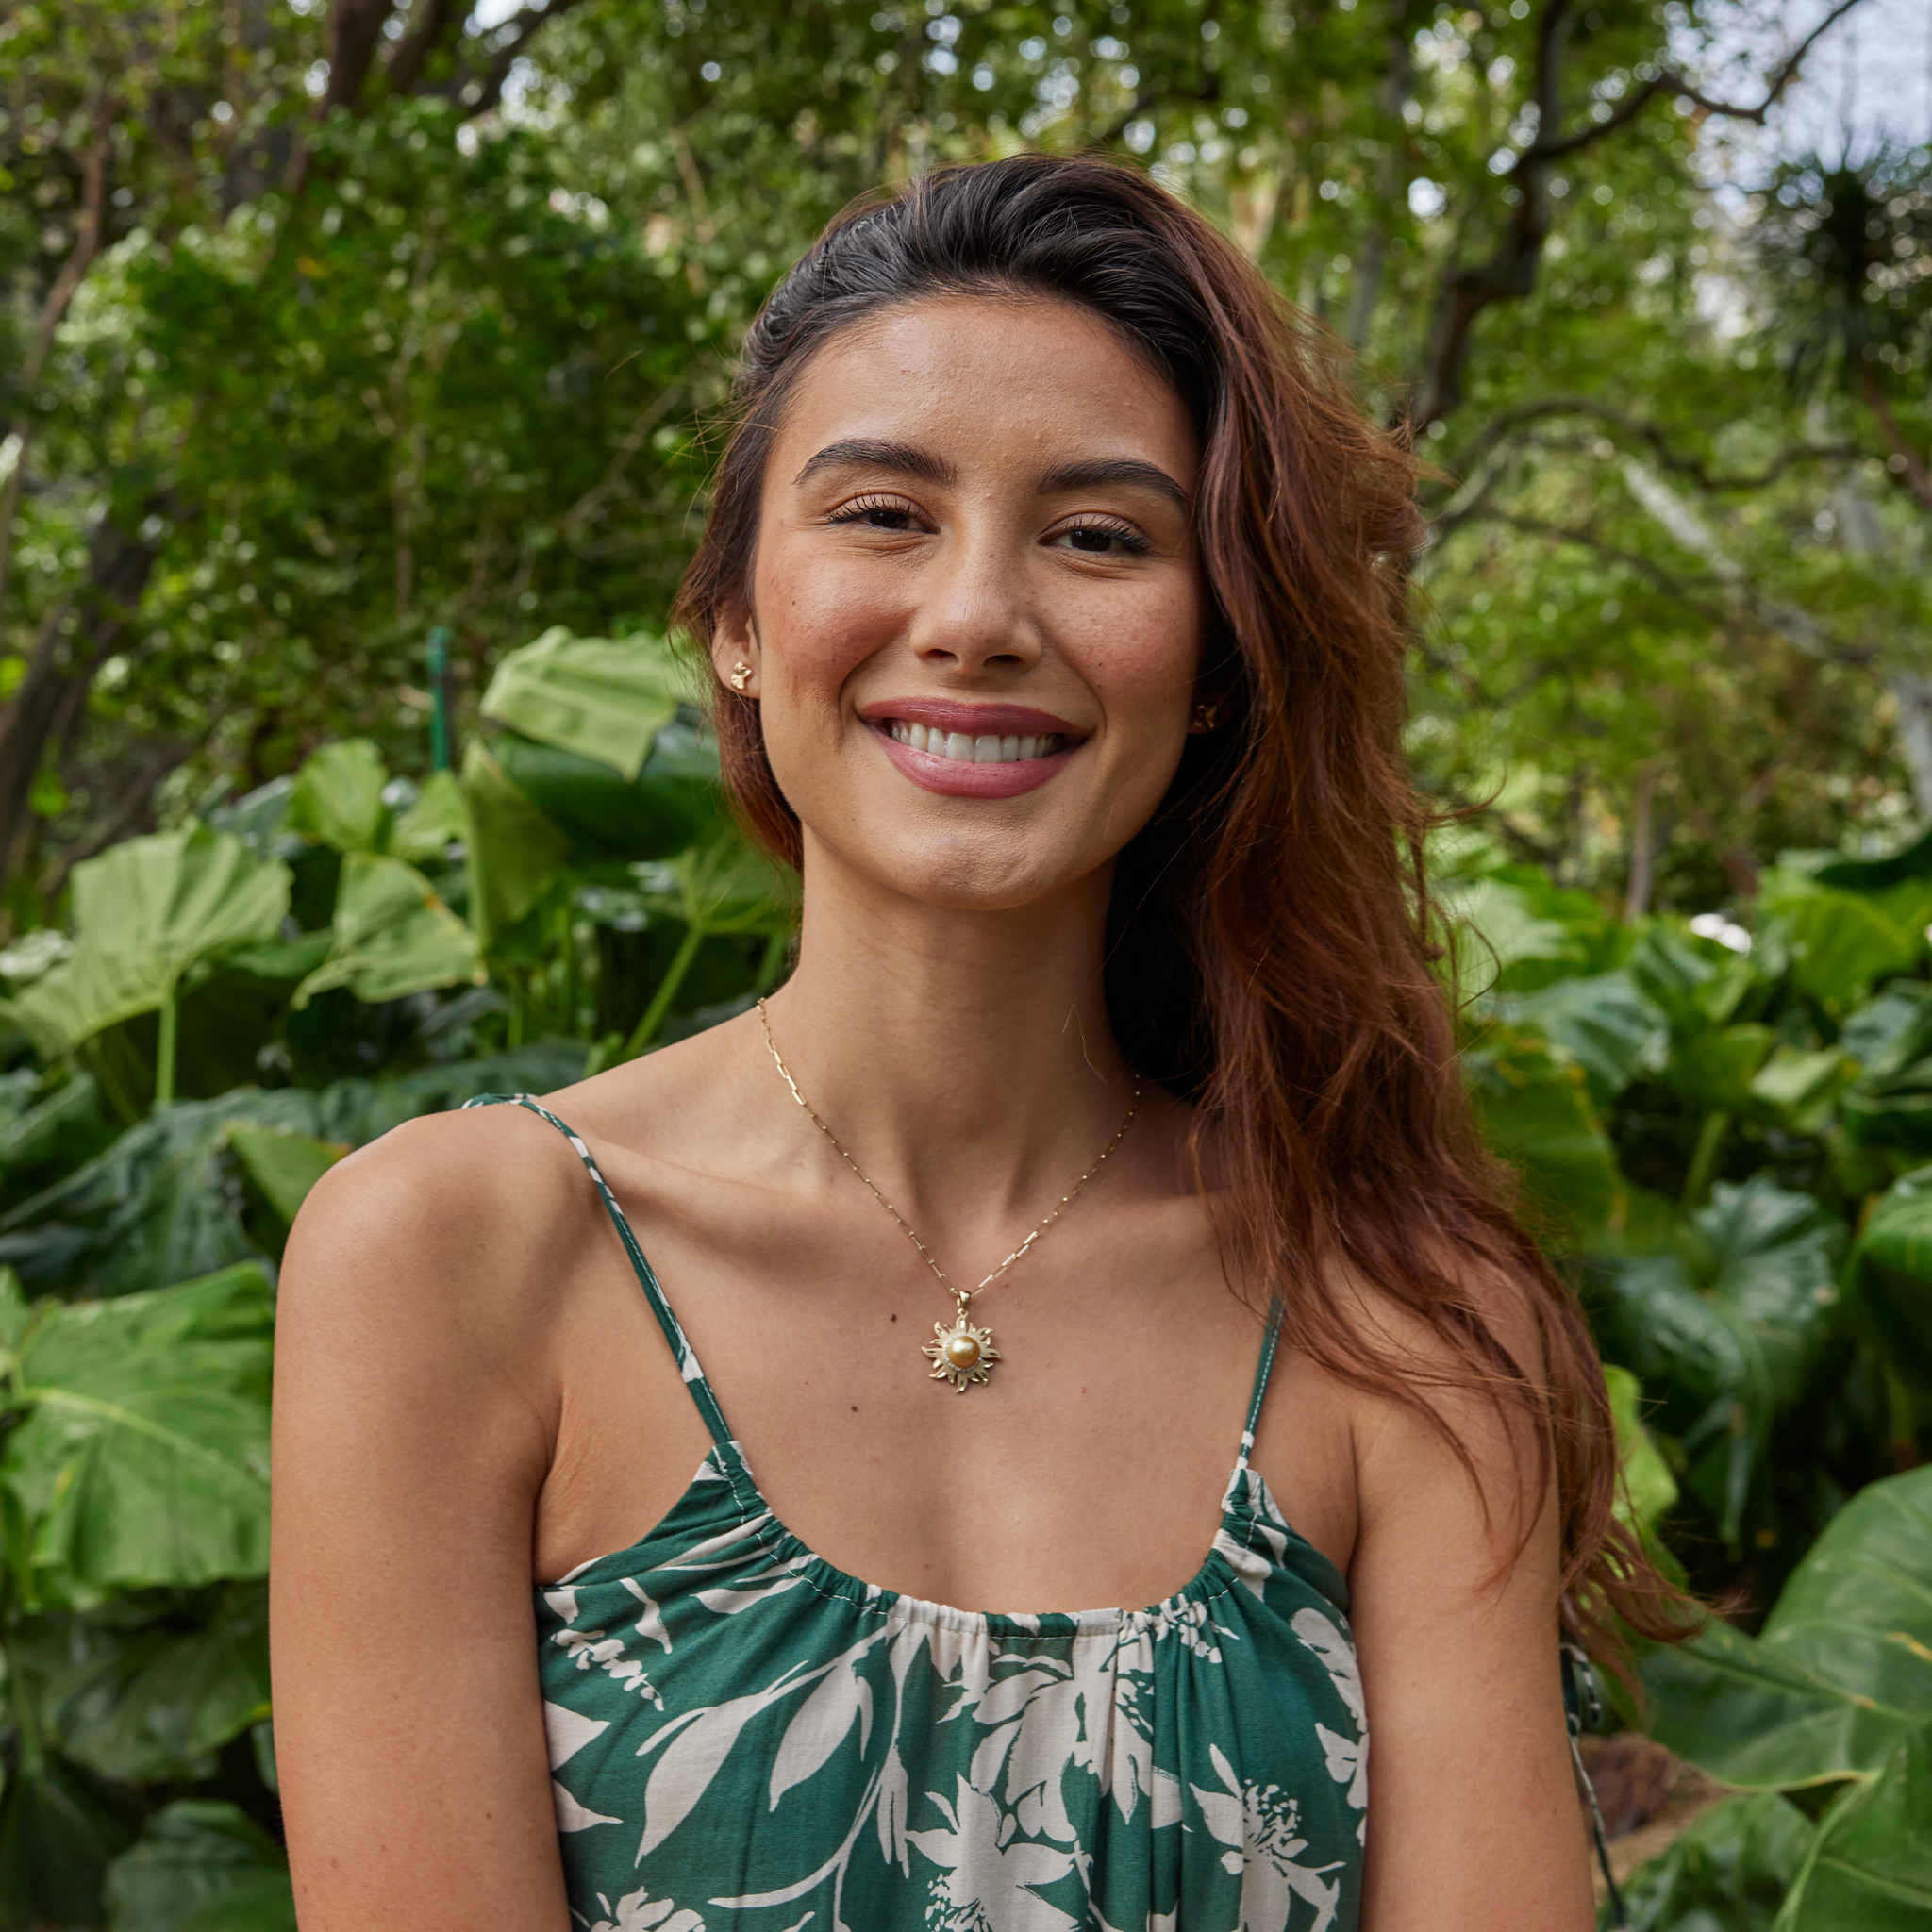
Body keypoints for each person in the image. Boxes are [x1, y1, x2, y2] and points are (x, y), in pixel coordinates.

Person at [271, 154, 1680, 1932]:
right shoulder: (458, 1256)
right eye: (880, 514)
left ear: (1223, 654)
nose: (975, 618)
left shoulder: (1402, 1317)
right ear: (732, 616)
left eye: (1099, 536)